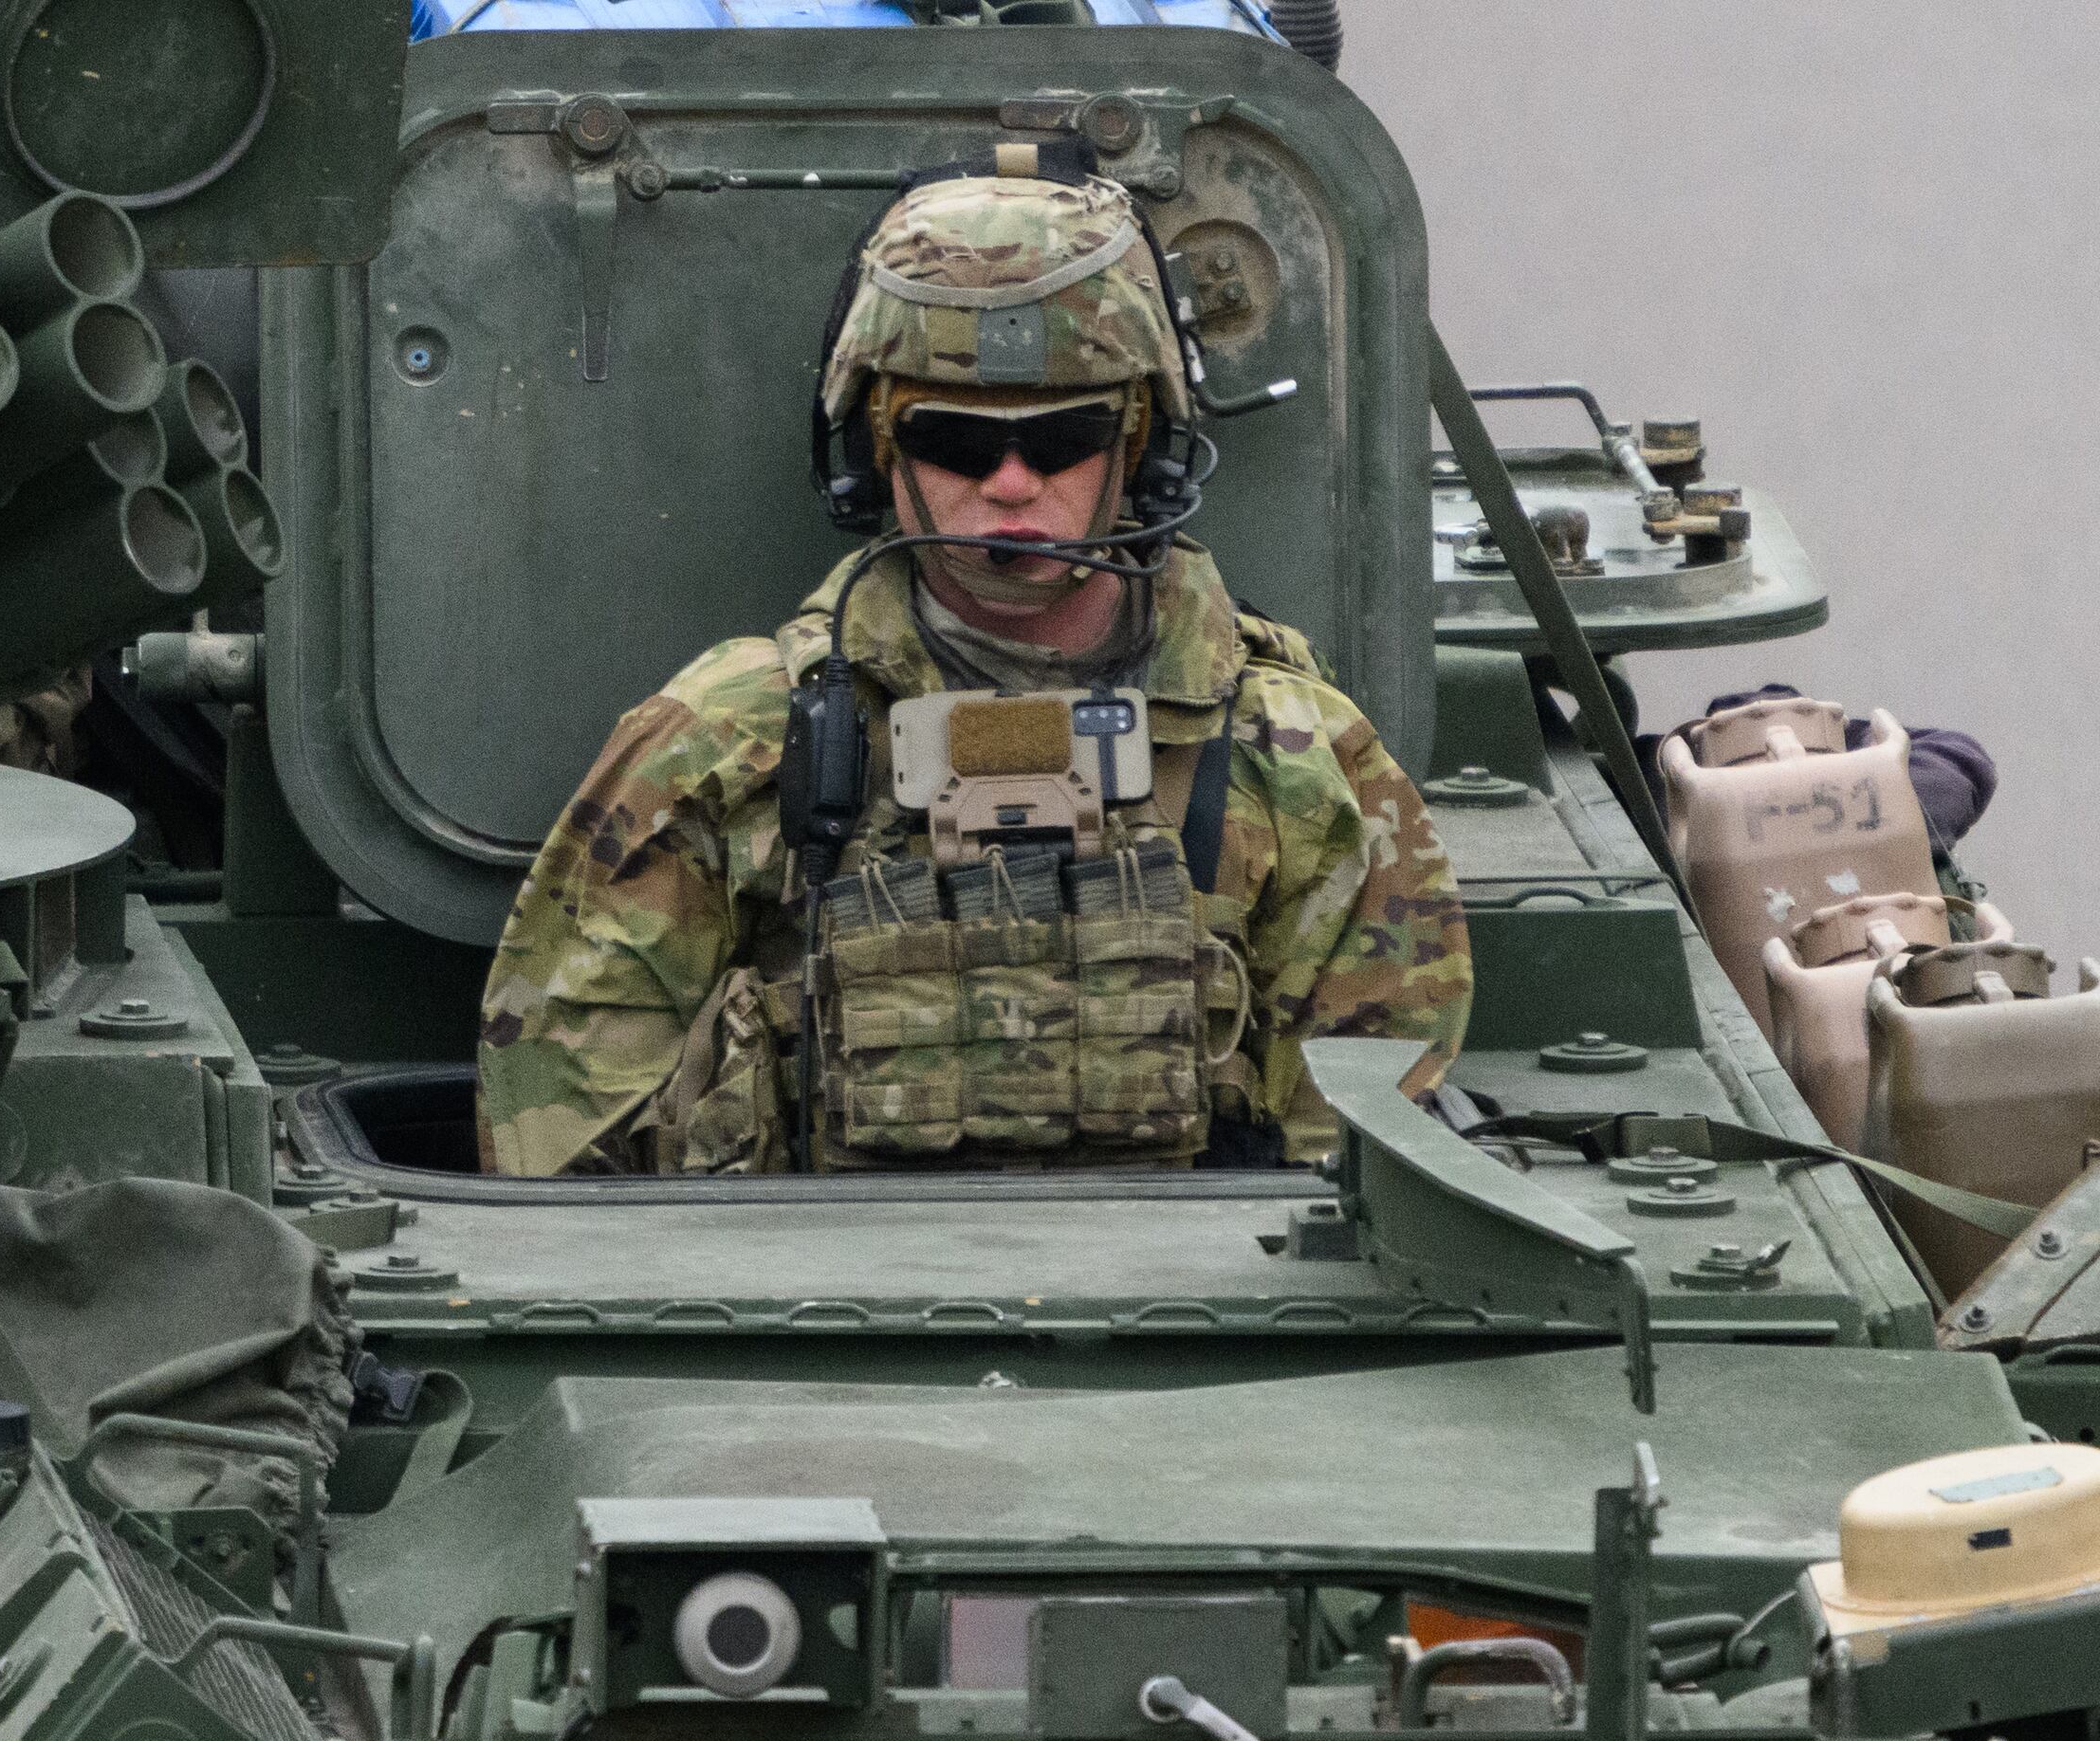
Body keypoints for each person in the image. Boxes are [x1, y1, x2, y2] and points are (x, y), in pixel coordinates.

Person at [476, 171, 1467, 1177]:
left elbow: (1365, 1167)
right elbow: (560, 1150)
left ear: (1140, 445)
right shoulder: (727, 743)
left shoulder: (1294, 758)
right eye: (948, 438)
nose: (1007, 484)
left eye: (1061, 437)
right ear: (871, 447)